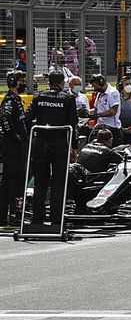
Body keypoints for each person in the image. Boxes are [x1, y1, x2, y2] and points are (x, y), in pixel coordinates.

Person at [25, 72, 78, 228]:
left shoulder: (39, 97)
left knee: (40, 182)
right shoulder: (68, 99)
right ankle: (56, 220)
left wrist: (32, 137)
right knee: (58, 182)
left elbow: (27, 119)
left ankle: (37, 219)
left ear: (49, 83)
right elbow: (73, 125)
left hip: (41, 143)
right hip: (59, 144)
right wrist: (74, 147)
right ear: (62, 83)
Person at [0, 70, 29, 226]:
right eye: (20, 81)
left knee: (11, 180)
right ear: (12, 83)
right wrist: (14, 135)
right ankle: (13, 215)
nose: (23, 84)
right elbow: (5, 117)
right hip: (12, 147)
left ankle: (9, 214)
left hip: (17, 146)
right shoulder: (10, 101)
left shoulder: (17, 100)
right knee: (14, 180)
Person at [88, 74, 121, 146]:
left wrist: (98, 115)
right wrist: (87, 113)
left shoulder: (113, 92)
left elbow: (113, 111)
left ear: (101, 83)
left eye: (95, 86)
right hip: (101, 128)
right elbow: (96, 109)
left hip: (112, 128)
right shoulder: (99, 94)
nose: (94, 89)